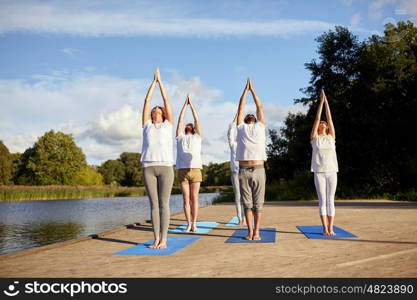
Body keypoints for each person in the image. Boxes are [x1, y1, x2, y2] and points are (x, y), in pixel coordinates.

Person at [141, 68, 174, 249]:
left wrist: (160, 82)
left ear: (162, 113)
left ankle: (164, 239)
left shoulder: (168, 125)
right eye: (153, 110)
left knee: (164, 204)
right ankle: (155, 239)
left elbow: (166, 101)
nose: (155, 110)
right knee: (153, 205)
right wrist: (152, 84)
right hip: (148, 167)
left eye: (158, 110)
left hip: (166, 167)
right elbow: (146, 101)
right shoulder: (146, 125)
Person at [236, 79, 267, 240]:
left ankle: (257, 232)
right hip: (243, 170)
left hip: (259, 169)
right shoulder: (241, 127)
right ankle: (249, 232)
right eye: (247, 115)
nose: (249, 115)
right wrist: (244, 92)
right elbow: (240, 108)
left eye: (251, 115)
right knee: (246, 204)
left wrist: (252, 90)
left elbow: (259, 107)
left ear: (255, 119)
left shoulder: (260, 126)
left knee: (258, 204)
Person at [310, 89, 339, 236]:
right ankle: (324, 228)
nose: (322, 122)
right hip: (319, 172)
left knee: (330, 200)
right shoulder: (315, 137)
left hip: (332, 171)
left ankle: (331, 228)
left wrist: (327, 102)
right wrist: (320, 102)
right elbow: (316, 119)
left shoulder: (331, 136)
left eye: (324, 122)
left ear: (327, 126)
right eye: (321, 122)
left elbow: (330, 117)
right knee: (322, 200)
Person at [176, 95, 203, 232]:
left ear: (192, 129)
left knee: (194, 198)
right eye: (187, 125)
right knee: (186, 199)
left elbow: (197, 120)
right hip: (182, 170)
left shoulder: (197, 137)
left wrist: (191, 105)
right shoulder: (179, 137)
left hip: (195, 170)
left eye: (190, 125)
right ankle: (188, 224)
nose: (188, 125)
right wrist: (183, 106)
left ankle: (194, 223)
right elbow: (180, 121)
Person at [227, 113, 245, 225]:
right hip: (235, 172)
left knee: (246, 196)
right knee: (238, 197)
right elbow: (230, 133)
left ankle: (246, 217)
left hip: (245, 171)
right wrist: (236, 116)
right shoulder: (233, 144)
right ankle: (240, 219)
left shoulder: (245, 143)